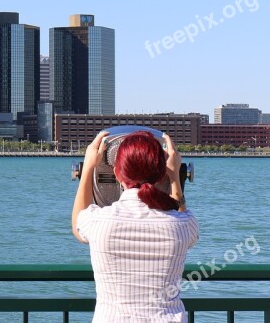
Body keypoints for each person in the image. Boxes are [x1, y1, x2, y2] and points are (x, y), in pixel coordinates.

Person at [71, 130, 199, 322]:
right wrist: (175, 177)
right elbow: (179, 213)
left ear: (116, 173)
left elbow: (78, 223)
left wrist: (88, 167)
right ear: (162, 174)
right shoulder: (183, 225)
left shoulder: (97, 223)